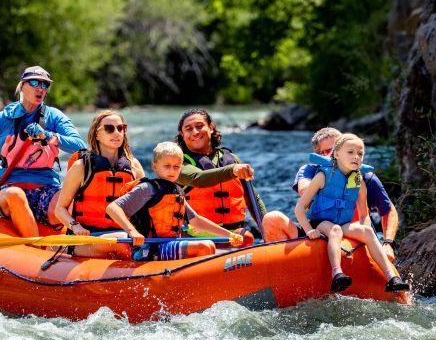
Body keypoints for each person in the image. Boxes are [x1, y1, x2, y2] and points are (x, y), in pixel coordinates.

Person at [0, 65, 86, 238]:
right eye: (34, 82)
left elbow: (80, 146)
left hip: (46, 188)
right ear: (22, 86)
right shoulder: (0, 120)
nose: (40, 88)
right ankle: (35, 248)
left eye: (45, 85)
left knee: (74, 201)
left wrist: (49, 136)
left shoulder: (54, 117)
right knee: (15, 194)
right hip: (9, 189)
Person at [294, 133, 409, 293]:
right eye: (350, 152)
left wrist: (364, 235)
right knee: (335, 230)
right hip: (320, 222)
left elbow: (364, 214)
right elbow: (299, 208)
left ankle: (392, 278)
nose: (356, 156)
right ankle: (337, 273)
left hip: (344, 223)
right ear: (337, 154)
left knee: (367, 231)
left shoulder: (359, 181)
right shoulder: (322, 175)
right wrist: (309, 230)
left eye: (360, 153)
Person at [263, 128, 401, 259]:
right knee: (272, 219)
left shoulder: (365, 177)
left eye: (338, 148)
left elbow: (388, 210)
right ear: (319, 156)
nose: (334, 153)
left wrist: (388, 243)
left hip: (353, 237)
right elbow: (304, 190)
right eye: (328, 150)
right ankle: (285, 270)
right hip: (318, 233)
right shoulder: (311, 171)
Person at [106, 142, 246, 260]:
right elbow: (112, 208)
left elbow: (196, 220)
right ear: (154, 166)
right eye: (167, 166)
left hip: (169, 244)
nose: (172, 171)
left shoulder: (177, 191)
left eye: (176, 166)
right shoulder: (147, 189)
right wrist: (132, 231)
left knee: (208, 245)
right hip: (149, 249)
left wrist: (229, 235)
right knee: (205, 246)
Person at [54, 110, 145, 258]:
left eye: (121, 128)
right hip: (87, 239)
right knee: (121, 240)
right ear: (97, 134)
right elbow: (60, 209)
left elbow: (145, 206)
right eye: (109, 128)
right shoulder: (82, 166)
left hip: (125, 237)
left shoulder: (134, 166)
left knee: (123, 240)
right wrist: (76, 227)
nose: (116, 133)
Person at [174, 108, 261, 243]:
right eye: (189, 129)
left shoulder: (233, 160)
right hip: (195, 236)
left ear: (211, 127)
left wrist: (265, 229)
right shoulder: (178, 163)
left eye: (199, 126)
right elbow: (198, 178)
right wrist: (232, 170)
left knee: (248, 237)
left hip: (233, 234)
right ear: (182, 134)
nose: (195, 132)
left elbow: (253, 199)